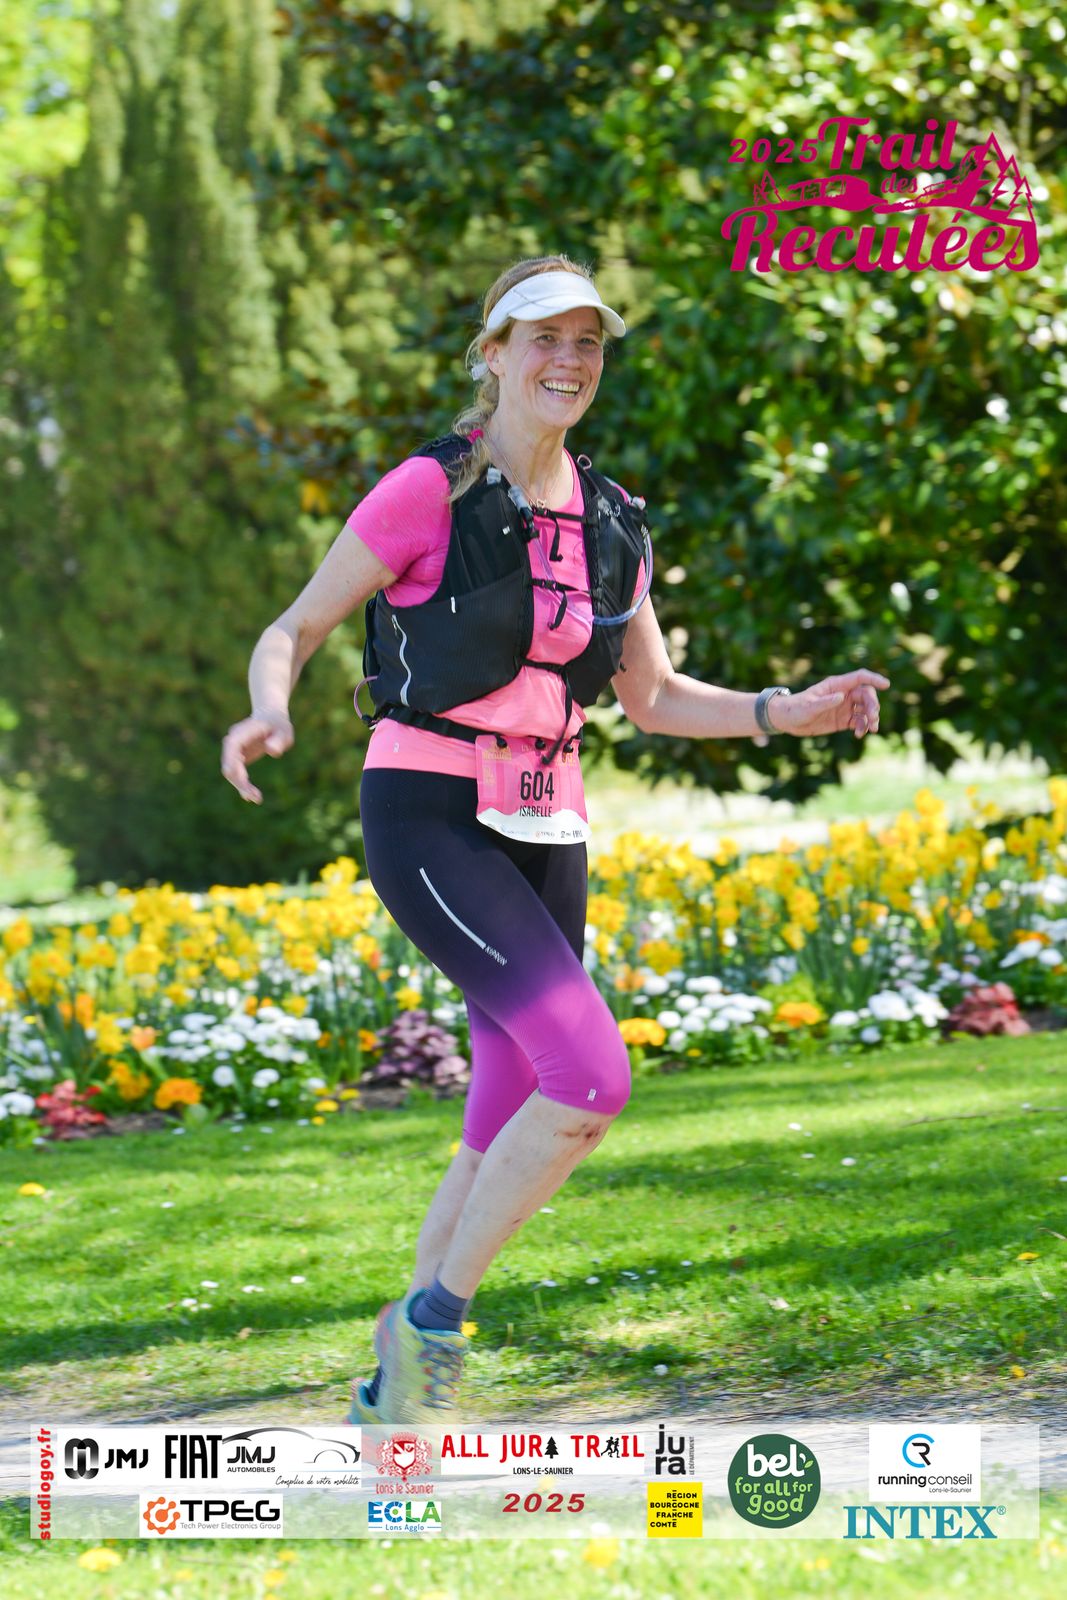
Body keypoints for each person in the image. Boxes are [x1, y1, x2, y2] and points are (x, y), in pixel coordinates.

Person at [221, 253, 889, 1428]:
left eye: (587, 340)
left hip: (546, 816)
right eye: (542, 336)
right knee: (588, 1075)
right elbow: (294, 626)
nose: (567, 358)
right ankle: (435, 1325)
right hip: (431, 811)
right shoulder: (427, 489)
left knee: (508, 1097)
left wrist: (785, 709)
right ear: (491, 354)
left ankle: (397, 1387)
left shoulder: (611, 519)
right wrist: (270, 709)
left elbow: (654, 696)